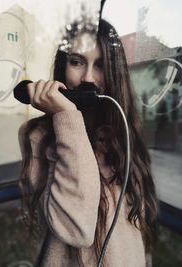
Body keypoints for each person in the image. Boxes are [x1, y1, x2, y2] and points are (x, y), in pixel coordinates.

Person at [18, 18, 158, 267]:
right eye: (77, 62)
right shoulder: (38, 136)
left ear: (116, 72)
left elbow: (137, 227)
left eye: (101, 65)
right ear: (63, 66)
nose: (88, 78)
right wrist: (66, 118)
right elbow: (76, 229)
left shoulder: (124, 130)